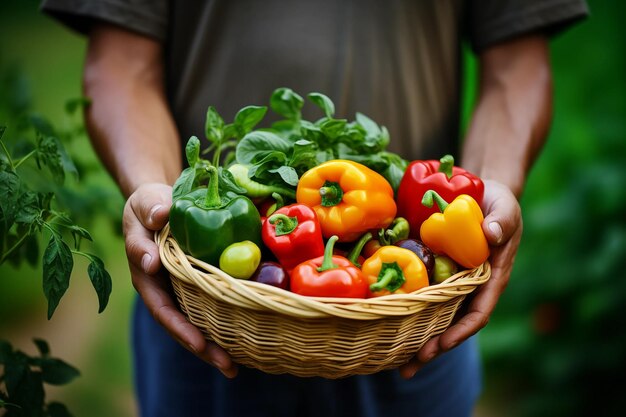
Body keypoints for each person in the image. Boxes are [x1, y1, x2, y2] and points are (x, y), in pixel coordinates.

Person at [40, 1, 588, 416]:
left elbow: (517, 64)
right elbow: (120, 64)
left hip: (412, 318)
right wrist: (152, 189)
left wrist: (493, 186)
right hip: (207, 306)